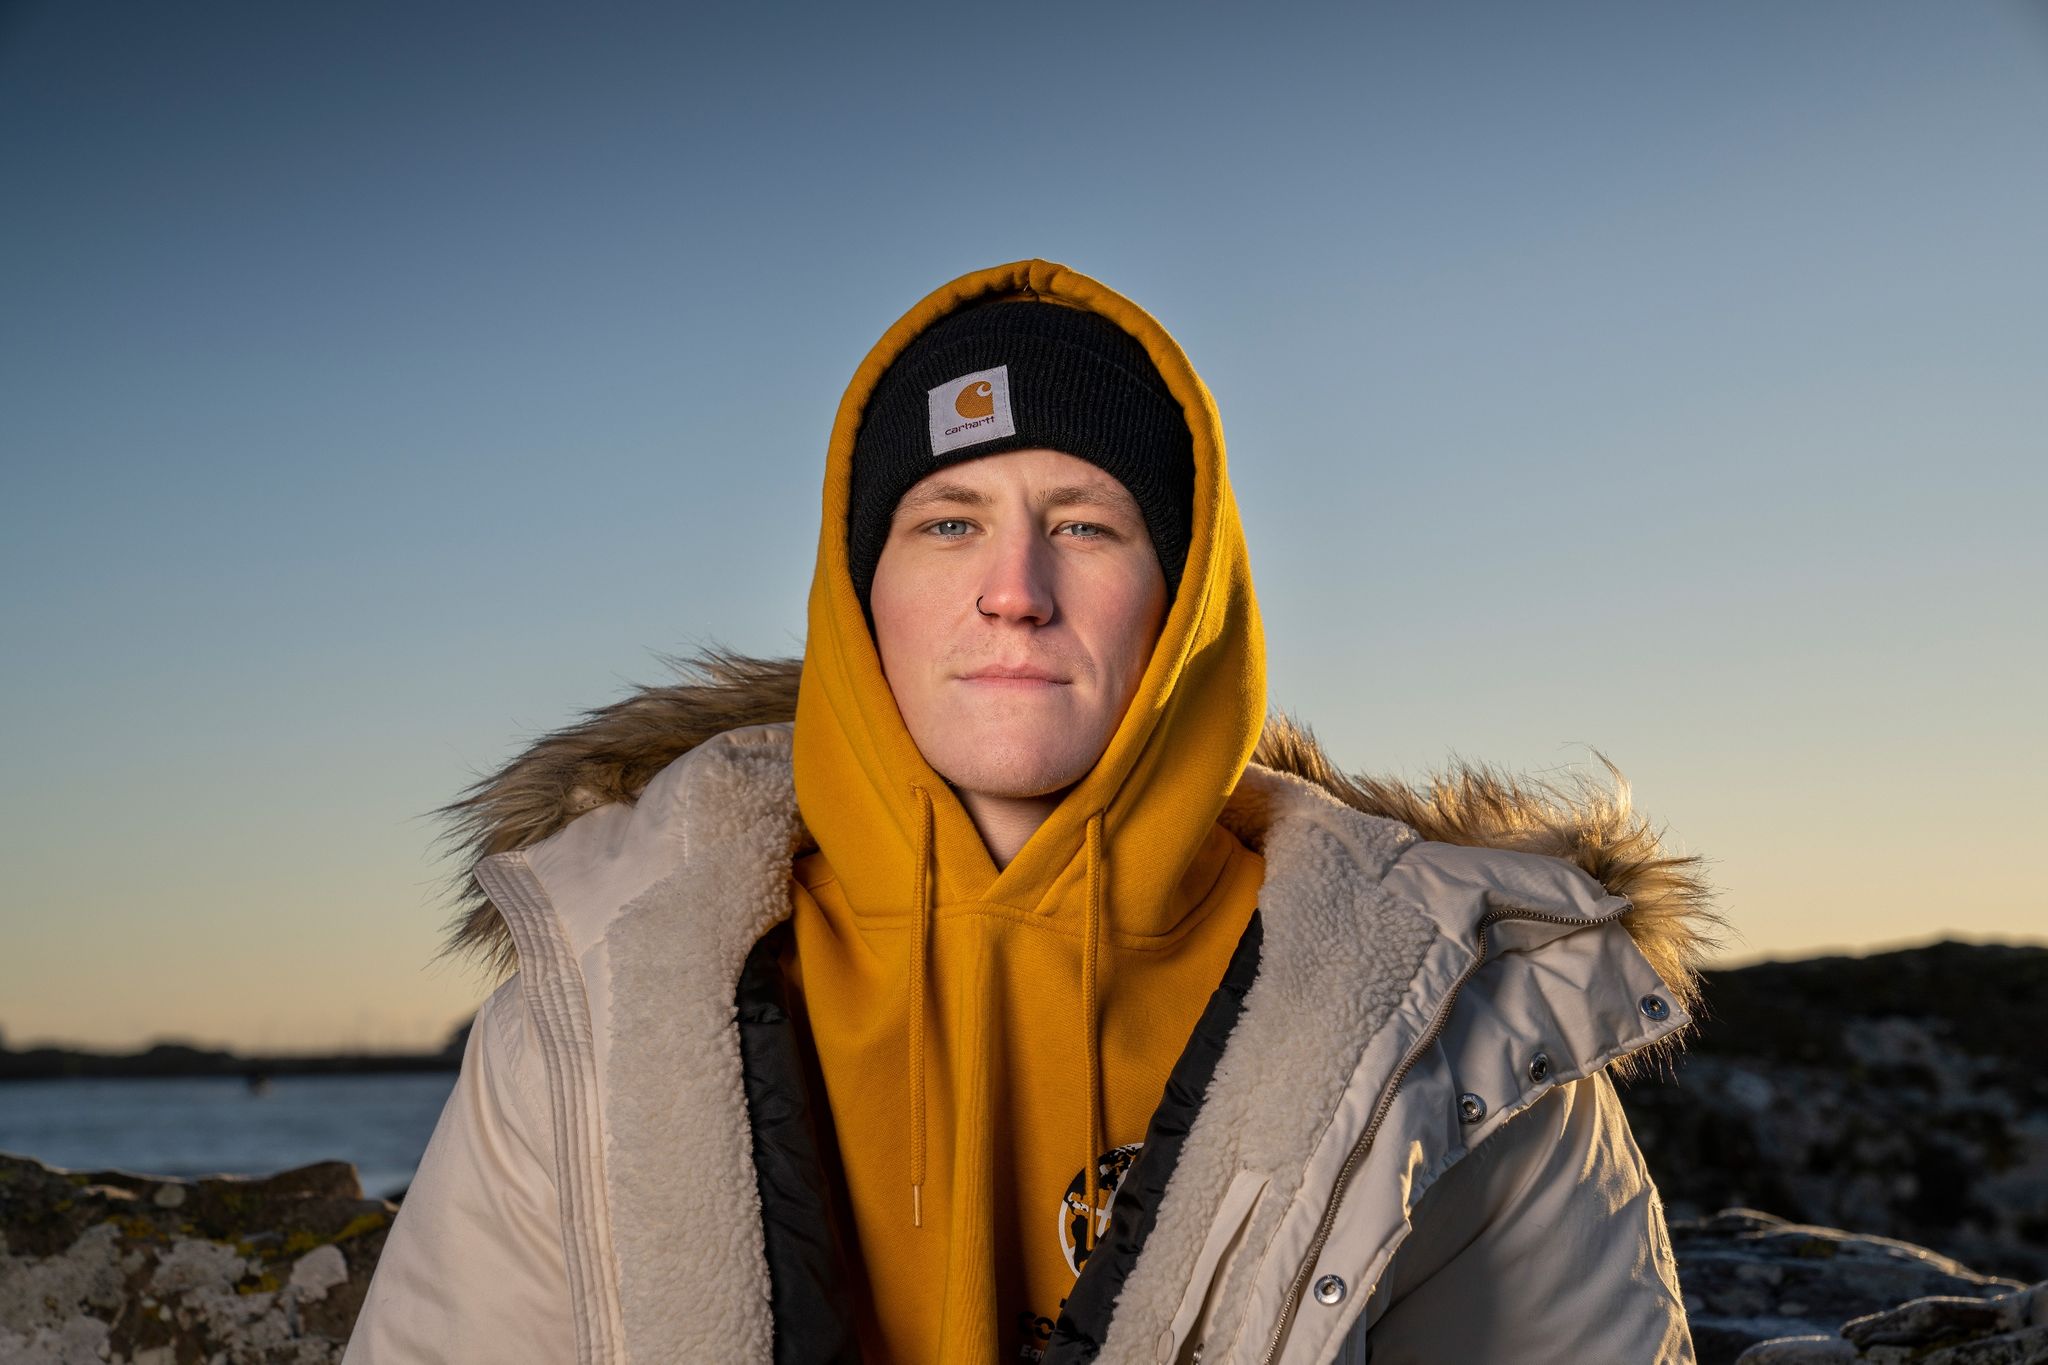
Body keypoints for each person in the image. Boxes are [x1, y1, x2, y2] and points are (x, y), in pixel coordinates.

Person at [342, 258, 1717, 1364]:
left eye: (1085, 523)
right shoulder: (605, 992)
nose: (1014, 589)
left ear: (1185, 603)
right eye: (947, 521)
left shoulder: (1450, 1017)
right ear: (858, 598)